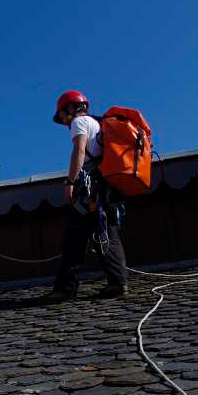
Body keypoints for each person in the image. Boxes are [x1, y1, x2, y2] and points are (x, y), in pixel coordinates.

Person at [50, 89, 128, 300]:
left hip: (90, 189)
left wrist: (70, 182)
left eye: (63, 116)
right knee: (106, 232)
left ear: (70, 109)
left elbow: (80, 151)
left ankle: (65, 289)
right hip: (105, 188)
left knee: (74, 237)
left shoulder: (79, 123)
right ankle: (118, 282)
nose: (65, 122)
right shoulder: (97, 124)